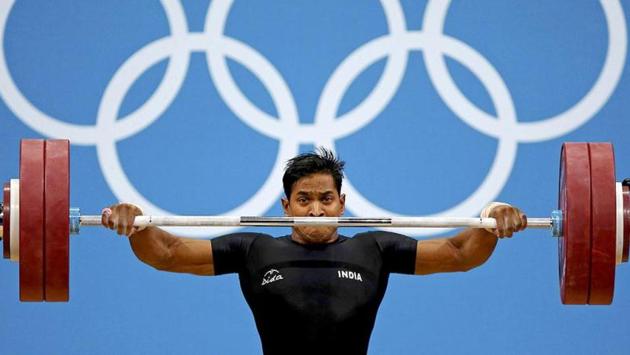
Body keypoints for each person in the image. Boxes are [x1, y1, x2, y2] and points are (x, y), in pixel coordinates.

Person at [101, 148, 527, 355]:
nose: (317, 208)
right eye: (304, 199)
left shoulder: (374, 247)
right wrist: (135, 222)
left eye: (326, 198)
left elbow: (460, 252)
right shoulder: (254, 249)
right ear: (285, 207)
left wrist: (492, 216)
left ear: (342, 204)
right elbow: (167, 252)